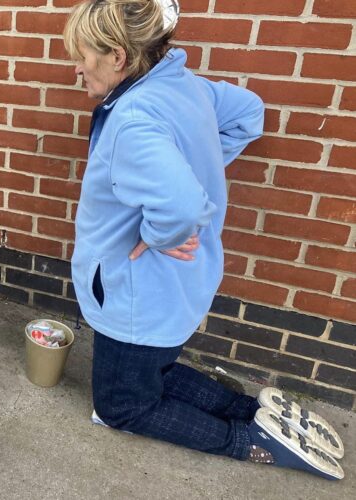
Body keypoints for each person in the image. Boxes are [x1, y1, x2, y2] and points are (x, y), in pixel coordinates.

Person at [65, 0, 344, 480]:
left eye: (83, 56)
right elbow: (248, 112)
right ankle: (248, 411)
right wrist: (200, 167)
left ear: (117, 57)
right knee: (157, 369)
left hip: (138, 293)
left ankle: (249, 442)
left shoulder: (134, 118)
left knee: (123, 406)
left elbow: (182, 206)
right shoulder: (182, 84)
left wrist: (157, 233)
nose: (76, 69)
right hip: (179, 286)